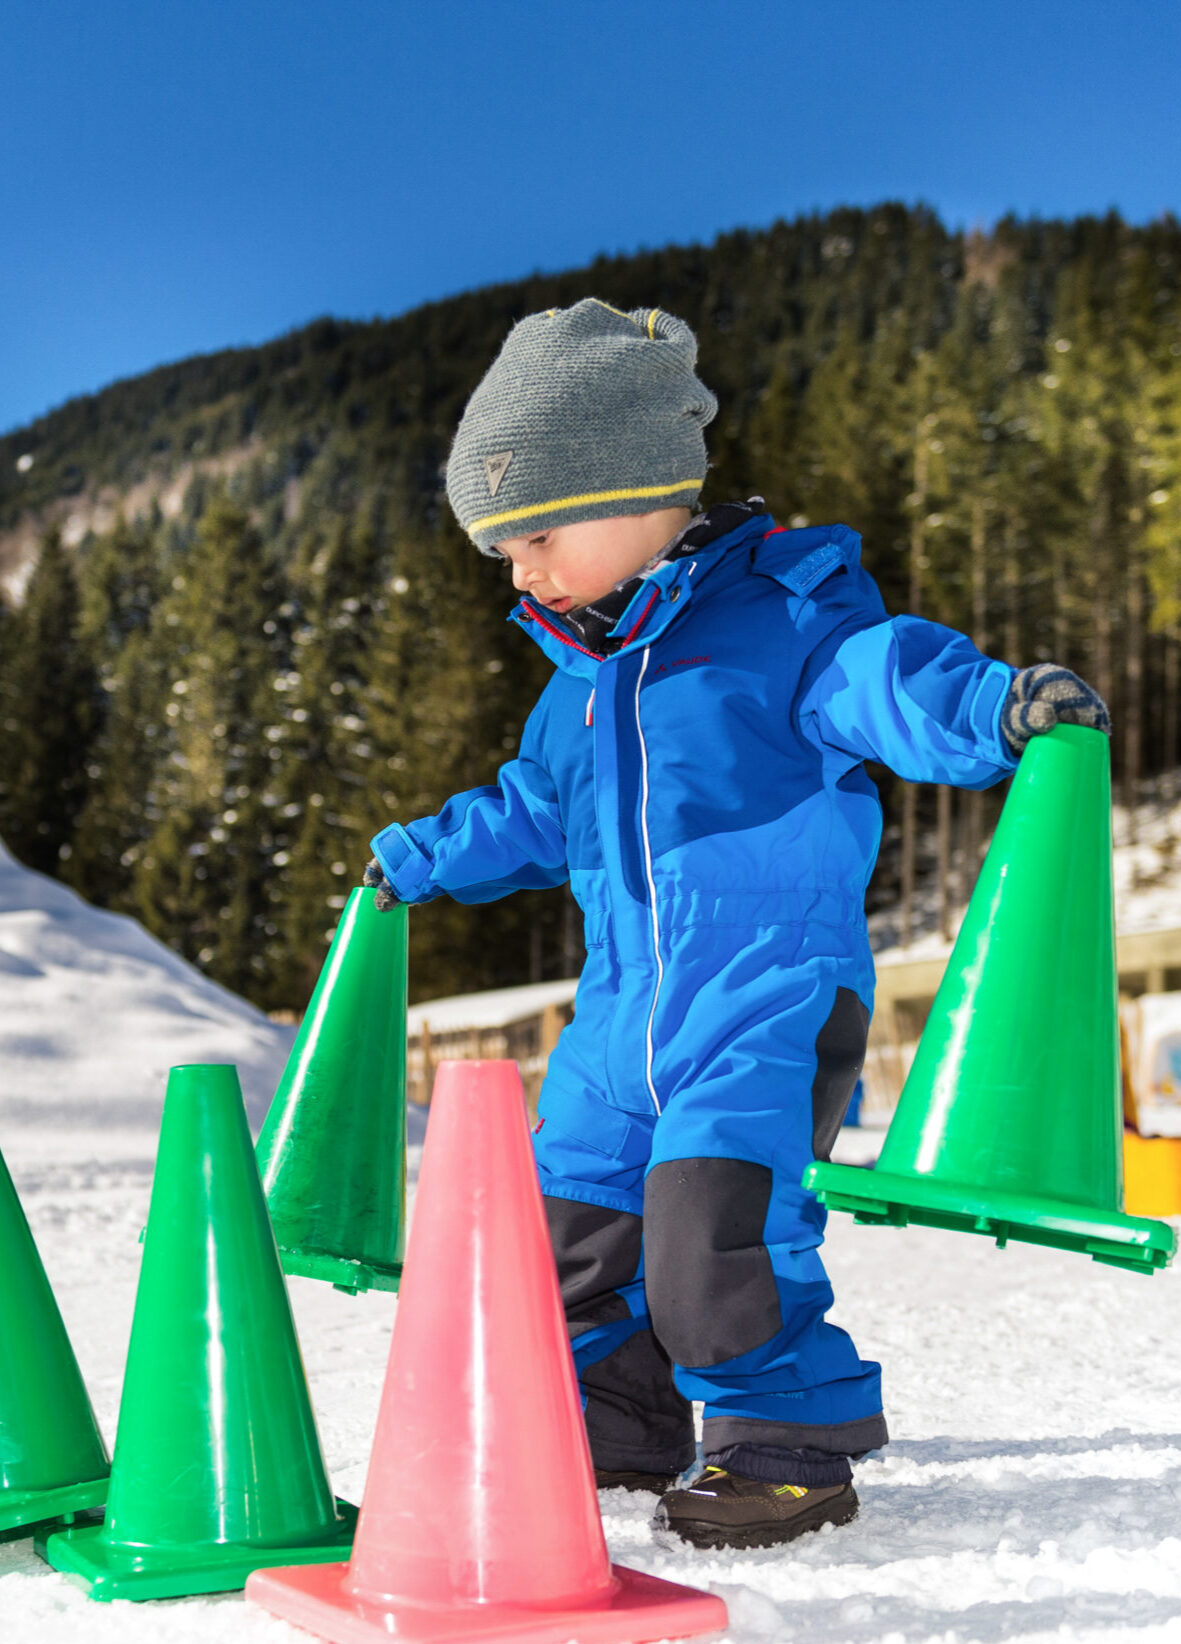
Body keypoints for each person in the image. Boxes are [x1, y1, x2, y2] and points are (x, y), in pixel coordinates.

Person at [361, 300, 1108, 1549]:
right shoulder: (583, 690)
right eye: (501, 552)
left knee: (718, 1233)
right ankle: (618, 1417)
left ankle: (787, 1441)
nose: (520, 572)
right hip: (617, 1022)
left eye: (535, 534)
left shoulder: (789, 621)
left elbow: (889, 682)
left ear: (639, 493)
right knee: (575, 1239)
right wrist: (421, 858)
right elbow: (534, 810)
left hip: (764, 996)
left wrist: (995, 707)